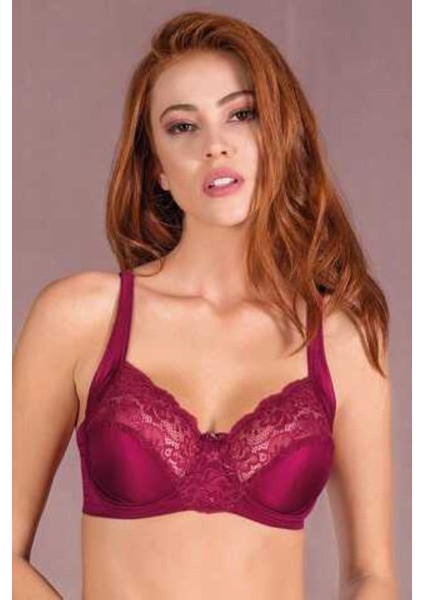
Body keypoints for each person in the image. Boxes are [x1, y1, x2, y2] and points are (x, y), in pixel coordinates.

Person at [12, 10, 399, 600]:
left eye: (241, 114)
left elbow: (372, 574)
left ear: (278, 135)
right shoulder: (81, 317)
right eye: (182, 127)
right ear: (158, 171)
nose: (215, 145)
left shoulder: (342, 337)